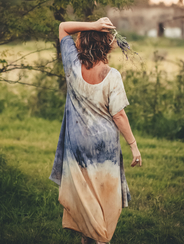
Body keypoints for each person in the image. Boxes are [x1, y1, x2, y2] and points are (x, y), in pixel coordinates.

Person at [50, 18, 142, 244]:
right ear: (106, 43)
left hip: (77, 145)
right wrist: (133, 146)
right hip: (104, 148)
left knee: (85, 195)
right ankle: (100, 239)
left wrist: (92, 24)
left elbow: (63, 27)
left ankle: (88, 238)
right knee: (104, 197)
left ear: (84, 40)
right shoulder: (112, 76)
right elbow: (119, 115)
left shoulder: (72, 64)